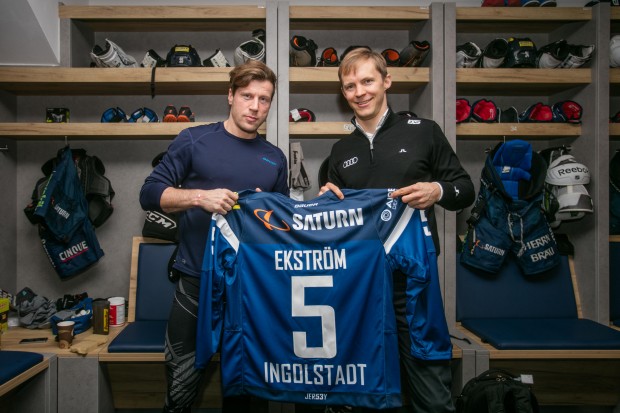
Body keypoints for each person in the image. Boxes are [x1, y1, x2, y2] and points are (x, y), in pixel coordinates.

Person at [319, 48, 475, 413]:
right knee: (368, 393)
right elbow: (338, 222)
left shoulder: (425, 132)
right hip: (359, 286)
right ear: (344, 94)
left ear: (386, 81)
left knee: (431, 392)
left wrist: (436, 190)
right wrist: (327, 200)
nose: (360, 92)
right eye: (350, 86)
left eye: (367, 81)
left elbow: (464, 190)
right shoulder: (341, 150)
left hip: (412, 284)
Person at [139, 59, 288, 413]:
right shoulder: (194, 140)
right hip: (196, 283)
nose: (255, 107)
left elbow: (281, 226)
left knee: (247, 393)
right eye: (248, 96)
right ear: (230, 95)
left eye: (264, 99)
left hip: (250, 289)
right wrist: (199, 197)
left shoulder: (274, 158)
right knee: (181, 388)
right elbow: (149, 193)